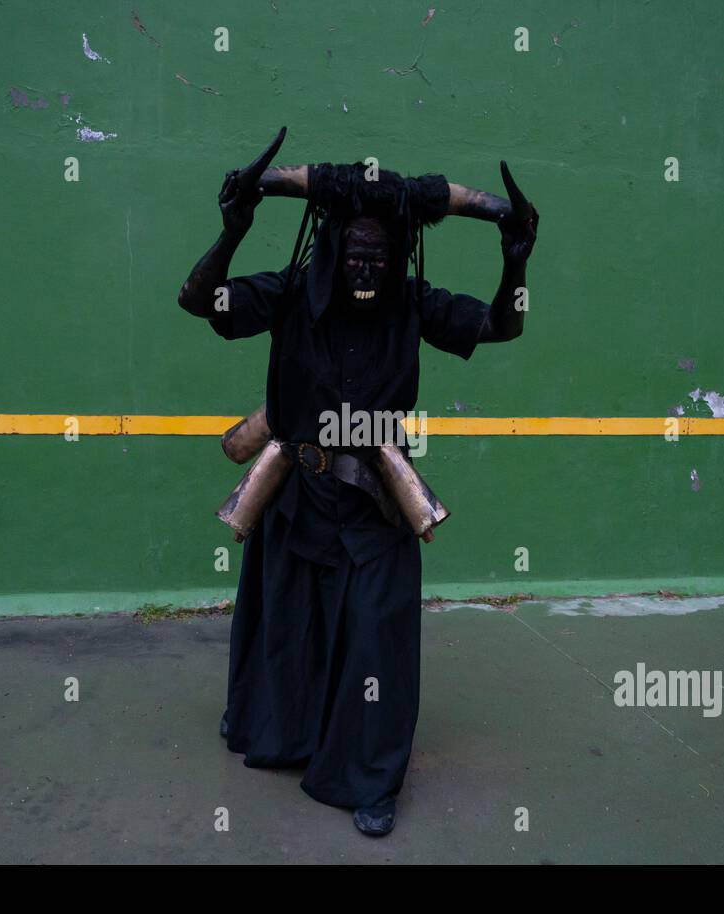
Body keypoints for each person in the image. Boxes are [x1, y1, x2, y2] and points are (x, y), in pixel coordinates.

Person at [177, 135, 538, 836]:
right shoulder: (290, 292)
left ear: (397, 255)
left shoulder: (412, 303)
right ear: (333, 249)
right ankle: (272, 726)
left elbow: (501, 325)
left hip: (374, 505)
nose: (366, 265)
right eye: (354, 252)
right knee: (285, 625)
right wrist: (233, 230)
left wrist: (515, 262)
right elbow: (200, 301)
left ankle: (370, 777)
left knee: (376, 639)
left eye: (379, 253)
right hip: (293, 495)